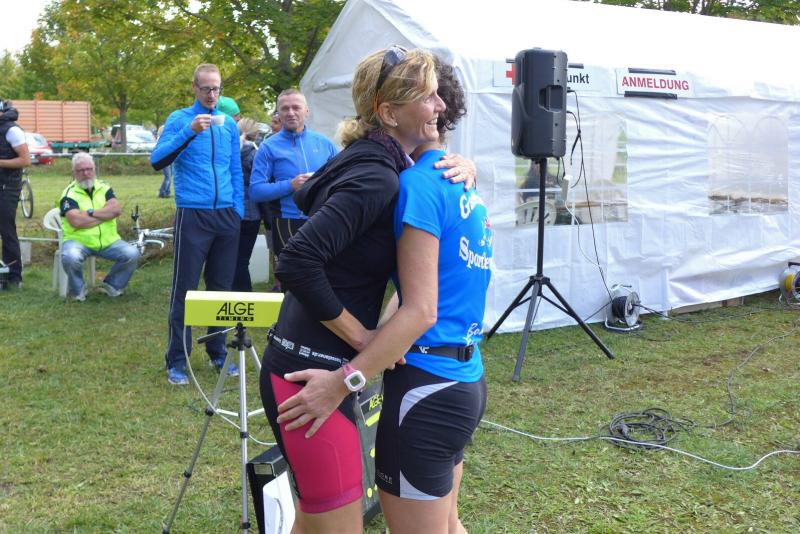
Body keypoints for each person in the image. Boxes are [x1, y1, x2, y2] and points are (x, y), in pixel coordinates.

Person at [258, 47, 476, 533]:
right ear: (389, 113)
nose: (441, 105)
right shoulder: (377, 175)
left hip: (315, 365)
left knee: (315, 521)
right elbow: (296, 261)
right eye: (428, 96)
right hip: (308, 376)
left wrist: (462, 165)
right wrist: (366, 341)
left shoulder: (376, 161)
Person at [150, 63, 243, 386]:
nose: (211, 94)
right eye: (206, 88)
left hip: (226, 216)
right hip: (193, 213)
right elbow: (157, 160)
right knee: (185, 290)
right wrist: (189, 131)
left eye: (216, 88)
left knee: (221, 288)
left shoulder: (228, 125)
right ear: (194, 88)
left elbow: (235, 170)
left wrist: (237, 210)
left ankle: (218, 351)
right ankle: (178, 359)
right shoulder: (180, 119)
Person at [248, 89, 338, 287]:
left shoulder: (325, 144)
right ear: (278, 114)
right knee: (292, 286)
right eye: (285, 108)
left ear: (307, 111)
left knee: (326, 283)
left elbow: (342, 179)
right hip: (287, 223)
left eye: (296, 107)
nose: (290, 113)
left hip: (322, 219)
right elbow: (256, 191)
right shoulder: (268, 147)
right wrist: (291, 185)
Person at [58, 153, 141, 301]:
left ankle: (112, 285)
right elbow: (76, 221)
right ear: (74, 172)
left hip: (109, 241)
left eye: (89, 169)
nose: (86, 173)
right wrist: (104, 216)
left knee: (133, 253)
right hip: (78, 241)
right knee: (70, 257)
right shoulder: (68, 194)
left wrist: (89, 213)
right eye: (81, 170)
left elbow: (116, 210)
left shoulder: (104, 188)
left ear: (94, 169)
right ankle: (77, 292)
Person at [232, 117, 271, 292]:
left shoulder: (230, 152)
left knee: (230, 259)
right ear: (255, 135)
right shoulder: (256, 155)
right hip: (250, 214)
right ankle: (244, 295)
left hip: (230, 210)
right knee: (241, 261)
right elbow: (261, 186)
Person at [0, 99, 31, 289]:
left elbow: (25, 160)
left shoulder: (12, 130)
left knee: (6, 229)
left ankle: (14, 276)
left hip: (8, 186)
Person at [156, 125, 172, 198]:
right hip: (164, 158)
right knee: (168, 177)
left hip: (169, 158)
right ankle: (162, 192)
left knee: (169, 177)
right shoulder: (161, 141)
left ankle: (167, 192)